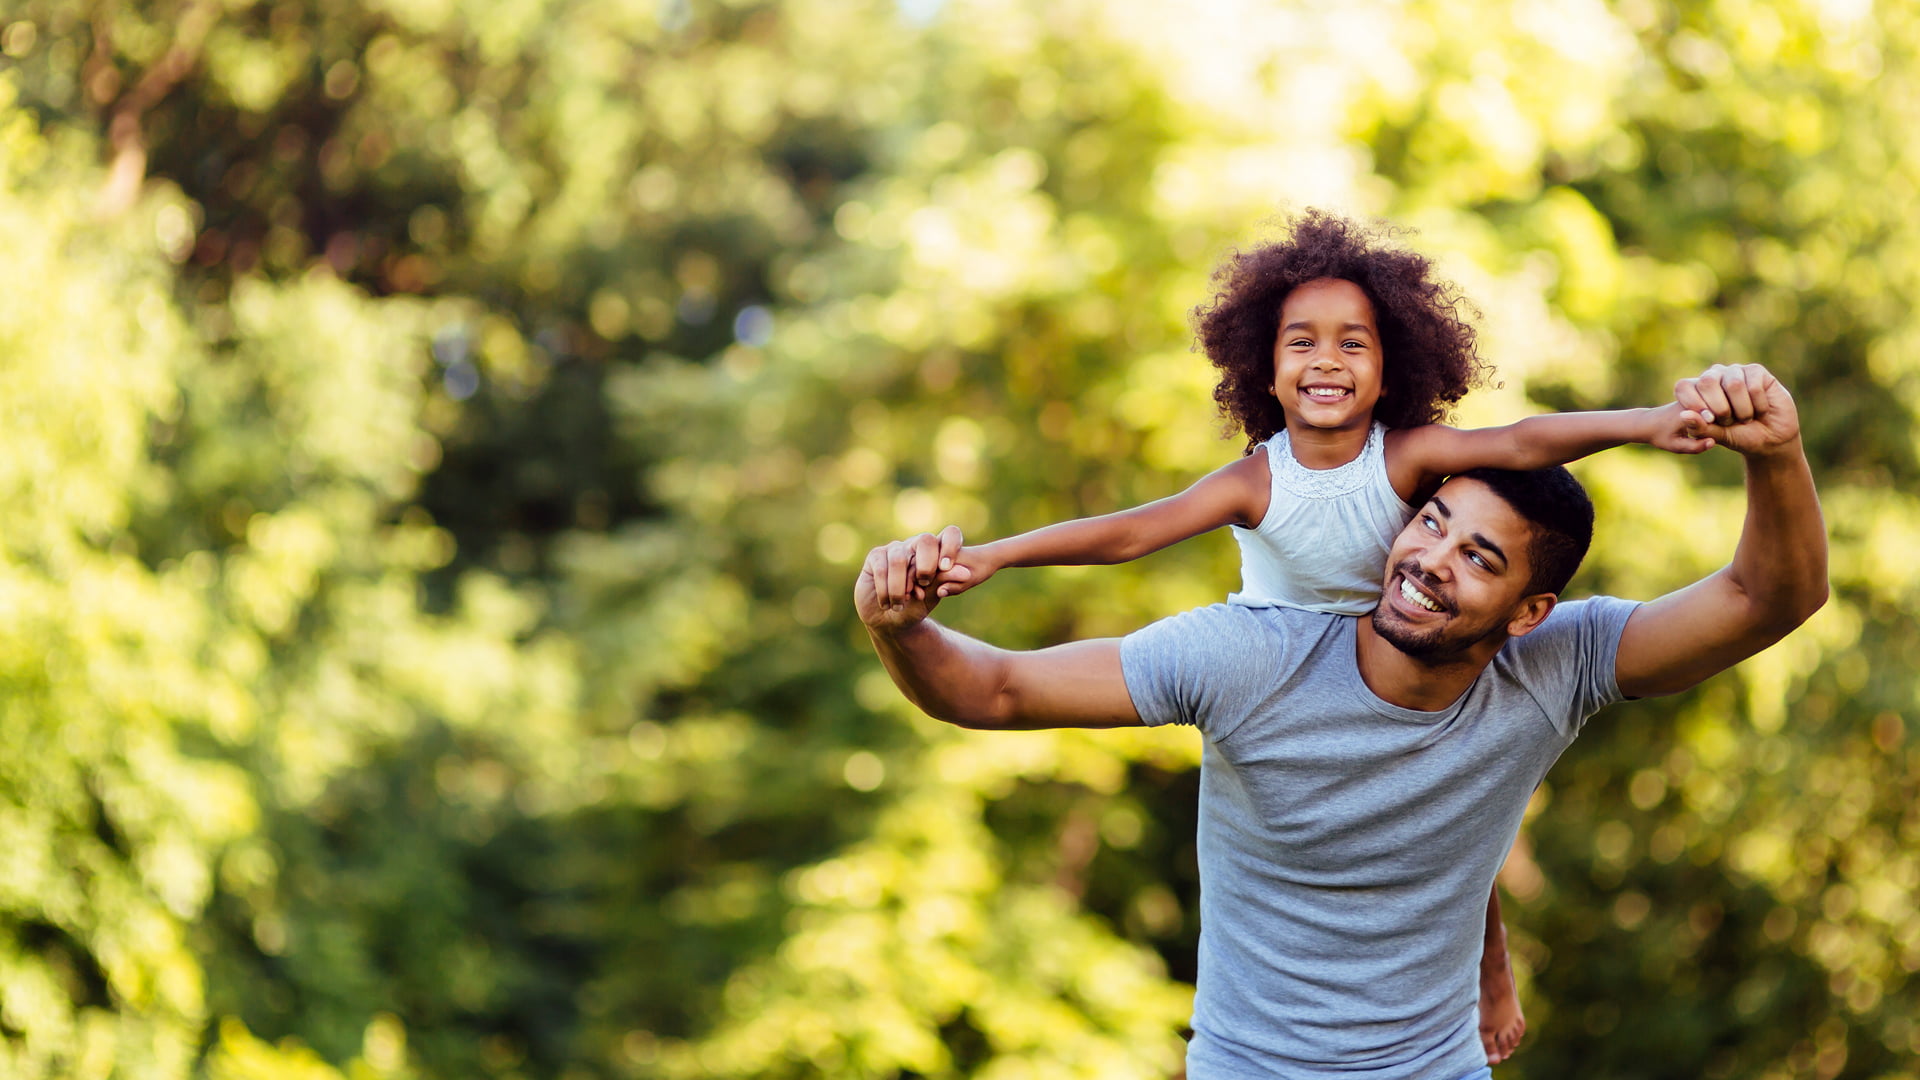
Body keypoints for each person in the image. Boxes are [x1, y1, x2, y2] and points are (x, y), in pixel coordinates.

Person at [857, 364, 1826, 1080]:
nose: (1432, 558)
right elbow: (995, 692)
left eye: (1482, 559)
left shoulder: (1556, 665)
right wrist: (900, 628)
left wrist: (1775, 453)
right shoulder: (1251, 657)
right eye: (1433, 521)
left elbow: (1767, 597)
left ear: (1530, 610)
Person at [921, 210, 1711, 1063]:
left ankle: (1490, 973)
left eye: (1354, 345)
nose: (1326, 362)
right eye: (1302, 342)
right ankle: (1486, 974)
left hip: (1399, 645)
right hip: (1291, 667)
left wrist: (1647, 424)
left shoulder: (1406, 458)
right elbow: (1129, 535)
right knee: (1416, 821)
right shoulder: (1256, 479)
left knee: (1450, 833)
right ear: (1265, 363)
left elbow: (1521, 440)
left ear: (1391, 368)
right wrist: (993, 557)